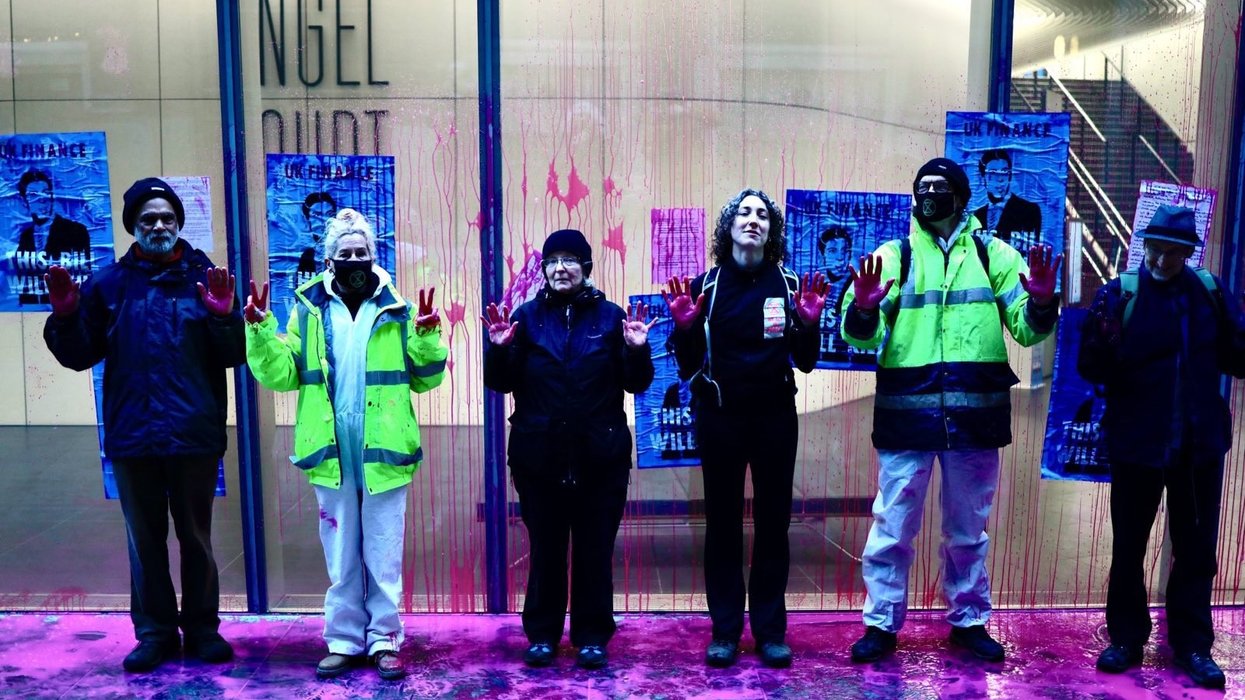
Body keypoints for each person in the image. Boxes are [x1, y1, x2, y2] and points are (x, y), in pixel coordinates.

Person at [841, 158, 1060, 664]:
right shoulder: (893, 256)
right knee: (892, 526)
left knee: (968, 529)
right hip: (907, 417)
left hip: (974, 419)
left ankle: (969, 619)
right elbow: (860, 335)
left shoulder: (994, 254)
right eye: (923, 187)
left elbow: (1027, 328)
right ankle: (880, 624)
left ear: (962, 197)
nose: (930, 194)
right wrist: (866, 307)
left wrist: (1043, 303)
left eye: (941, 187)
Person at [42, 177, 244, 672]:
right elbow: (78, 354)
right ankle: (153, 632)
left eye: (167, 218)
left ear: (179, 223)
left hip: (194, 434)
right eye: (149, 218)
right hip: (133, 436)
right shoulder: (109, 285)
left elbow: (235, 354)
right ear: (134, 225)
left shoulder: (205, 279)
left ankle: (201, 628)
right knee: (145, 540)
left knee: (196, 537)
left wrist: (224, 318)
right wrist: (67, 317)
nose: (159, 225)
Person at [245, 208, 447, 681]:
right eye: (344, 253)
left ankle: (384, 640)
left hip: (383, 446)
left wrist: (428, 337)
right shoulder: (308, 309)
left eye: (361, 252)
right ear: (329, 259)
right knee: (340, 547)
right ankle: (343, 640)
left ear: (374, 257)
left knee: (381, 547)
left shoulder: (398, 308)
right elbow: (283, 374)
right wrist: (258, 332)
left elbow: (425, 379)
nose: (354, 259)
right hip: (332, 447)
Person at [1077, 204, 1245, 690]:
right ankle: (1127, 639)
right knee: (1129, 545)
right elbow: (1091, 369)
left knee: (1196, 550)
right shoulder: (1119, 294)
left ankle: (1192, 644)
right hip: (1137, 442)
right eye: (1155, 248)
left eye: (1174, 252)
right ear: (1143, 245)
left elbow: (1239, 360)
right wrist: (1102, 343)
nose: (1162, 260)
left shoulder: (1209, 293)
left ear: (1188, 253)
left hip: (1198, 445)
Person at [663, 189, 828, 669]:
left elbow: (807, 362)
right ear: (728, 227)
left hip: (775, 418)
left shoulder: (790, 282)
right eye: (744, 213)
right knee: (723, 526)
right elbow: (688, 365)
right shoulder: (706, 286)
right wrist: (687, 331)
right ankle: (725, 632)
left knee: (774, 524)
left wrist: (810, 325)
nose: (752, 220)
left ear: (771, 230)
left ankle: (771, 632)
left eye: (761, 214)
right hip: (720, 419)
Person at [483, 228, 654, 670]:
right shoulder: (526, 317)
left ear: (587, 268)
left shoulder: (611, 317)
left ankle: (592, 635)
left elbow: (637, 383)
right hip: (539, 457)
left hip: (602, 456)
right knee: (547, 548)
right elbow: (500, 383)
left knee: (595, 549)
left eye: (570, 260)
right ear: (543, 269)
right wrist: (499, 351)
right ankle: (542, 634)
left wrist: (637, 351)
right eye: (553, 260)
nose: (561, 268)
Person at [12, 168, 91, 304]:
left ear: (52, 197)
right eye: (33, 195)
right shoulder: (25, 237)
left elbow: (83, 277)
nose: (41, 200)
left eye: (45, 193)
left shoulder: (76, 231)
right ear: (25, 201)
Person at [972, 149, 1042, 254]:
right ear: (983, 178)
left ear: (1009, 176)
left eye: (1004, 172)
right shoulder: (977, 215)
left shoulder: (1029, 211)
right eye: (993, 173)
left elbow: (1030, 253)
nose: (1000, 179)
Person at [295, 191, 337, 287]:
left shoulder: (346, 252)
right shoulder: (307, 257)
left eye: (329, 214)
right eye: (317, 215)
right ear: (307, 219)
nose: (325, 221)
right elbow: (302, 292)